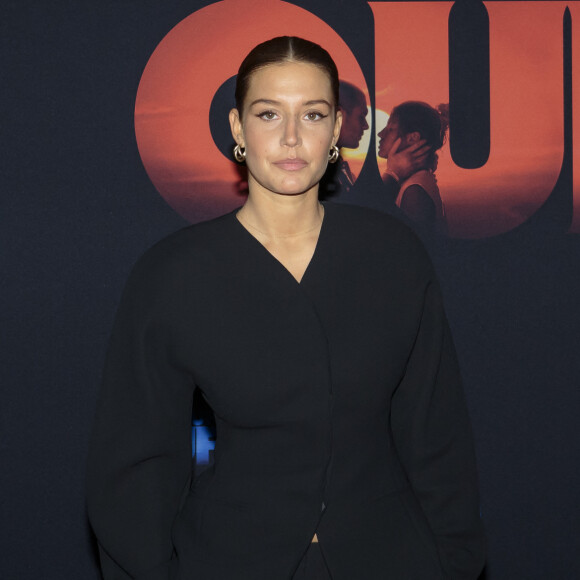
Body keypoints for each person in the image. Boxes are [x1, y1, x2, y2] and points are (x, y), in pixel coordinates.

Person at [87, 37, 485, 580]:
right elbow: (134, 465)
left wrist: (454, 564)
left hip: (391, 558)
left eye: (313, 114)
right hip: (230, 559)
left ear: (336, 130)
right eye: (269, 113)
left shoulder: (393, 255)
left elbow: (438, 436)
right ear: (236, 130)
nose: (292, 137)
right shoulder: (175, 274)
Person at [378, 101, 449, 236]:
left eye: (390, 129)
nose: (380, 134)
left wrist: (392, 173)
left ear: (413, 138)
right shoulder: (413, 183)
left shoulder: (414, 191)